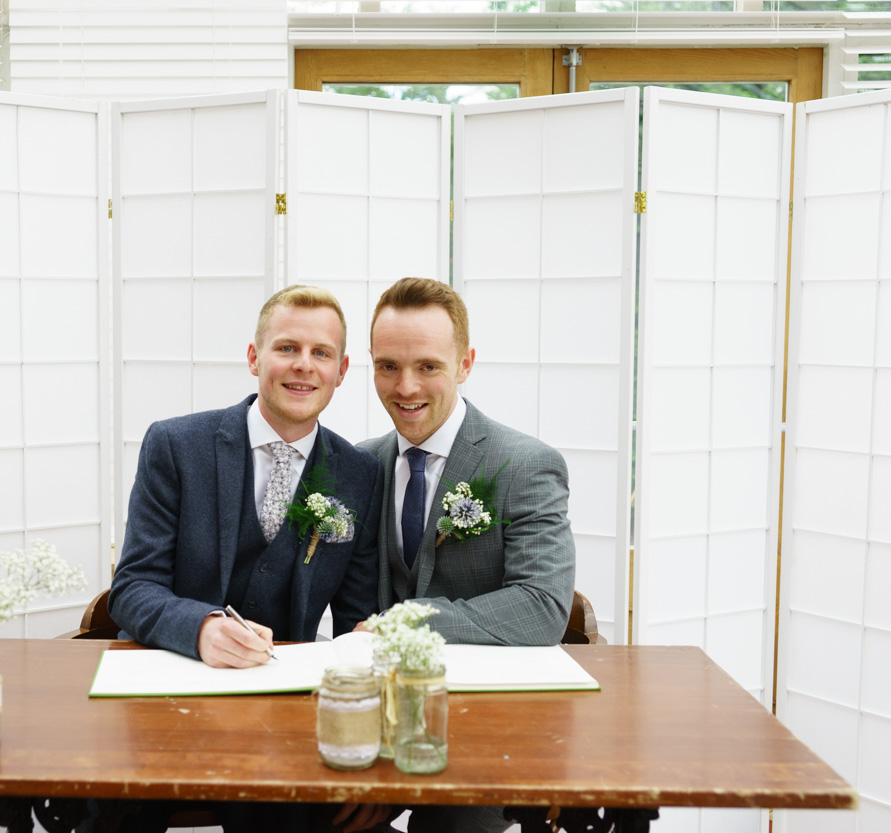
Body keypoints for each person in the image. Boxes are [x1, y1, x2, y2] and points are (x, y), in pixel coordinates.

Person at [338, 276, 575, 833]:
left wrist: (407, 622)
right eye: (387, 366)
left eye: (428, 366)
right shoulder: (360, 464)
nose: (405, 386)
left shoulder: (525, 465)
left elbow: (542, 605)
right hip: (376, 720)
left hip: (486, 726)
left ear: (465, 363)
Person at [109, 284, 382, 671]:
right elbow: (132, 588)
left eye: (321, 353)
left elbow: (356, 618)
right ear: (254, 358)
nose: (304, 364)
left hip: (286, 684)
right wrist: (201, 630)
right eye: (287, 348)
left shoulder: (360, 474)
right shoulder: (175, 446)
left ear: (340, 371)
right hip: (173, 671)